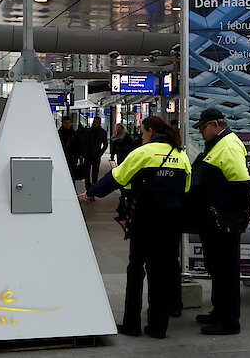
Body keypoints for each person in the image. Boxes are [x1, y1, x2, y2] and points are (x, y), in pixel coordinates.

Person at [80, 116, 191, 339]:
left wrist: (91, 193)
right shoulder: (181, 157)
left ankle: (132, 324)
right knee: (161, 272)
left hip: (145, 219)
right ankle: (158, 327)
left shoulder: (143, 153)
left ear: (150, 131)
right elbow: (186, 190)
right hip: (172, 221)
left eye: (142, 132)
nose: (141, 136)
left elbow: (116, 177)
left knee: (136, 269)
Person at [191, 108, 250, 336]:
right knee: (217, 268)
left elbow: (242, 184)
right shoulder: (217, 145)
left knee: (226, 270)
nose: (201, 132)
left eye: (203, 127)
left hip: (224, 221)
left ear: (216, 125)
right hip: (214, 220)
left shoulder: (228, 145)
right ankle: (219, 311)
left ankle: (229, 321)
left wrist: (236, 215)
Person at [80, 117, 108, 191]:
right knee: (87, 174)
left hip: (96, 155)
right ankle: (88, 190)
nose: (95, 124)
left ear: (99, 123)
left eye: (97, 122)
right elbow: (84, 143)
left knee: (94, 175)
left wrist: (100, 154)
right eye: (94, 122)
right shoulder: (88, 131)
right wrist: (82, 154)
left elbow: (105, 145)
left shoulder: (102, 132)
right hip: (88, 155)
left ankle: (93, 191)